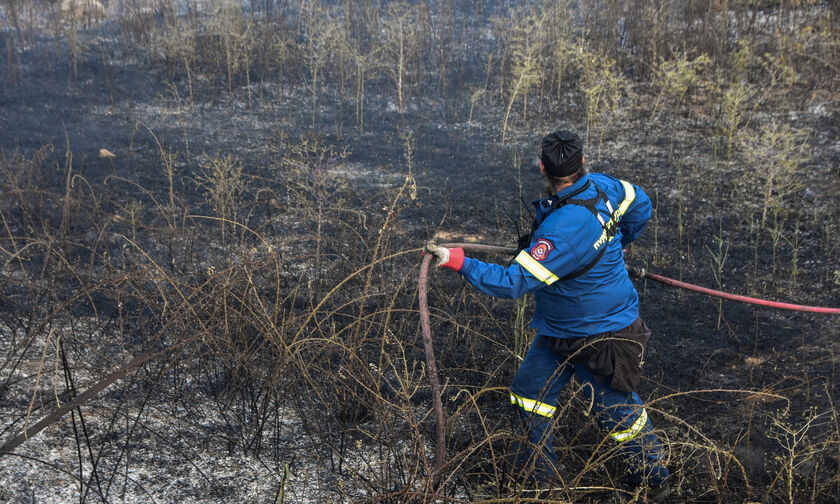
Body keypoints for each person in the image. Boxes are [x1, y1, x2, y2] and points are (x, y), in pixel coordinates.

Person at [425, 130, 670, 499]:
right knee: (529, 394)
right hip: (560, 327)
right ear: (582, 162)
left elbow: (512, 282)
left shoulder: (561, 232)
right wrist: (618, 239)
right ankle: (541, 480)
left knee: (617, 413)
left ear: (542, 167)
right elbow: (641, 202)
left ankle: (653, 480)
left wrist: (459, 261)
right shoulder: (605, 186)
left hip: (600, 334)